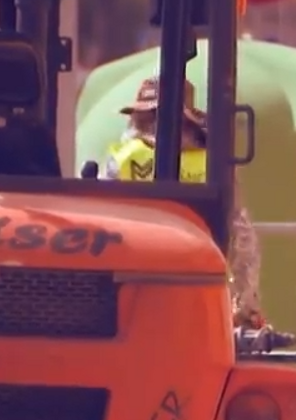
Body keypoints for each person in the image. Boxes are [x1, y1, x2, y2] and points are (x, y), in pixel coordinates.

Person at [102, 76, 265, 327]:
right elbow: (242, 237)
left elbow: (103, 228)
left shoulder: (122, 159)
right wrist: (244, 304)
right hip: (198, 286)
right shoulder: (214, 164)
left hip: (132, 287)